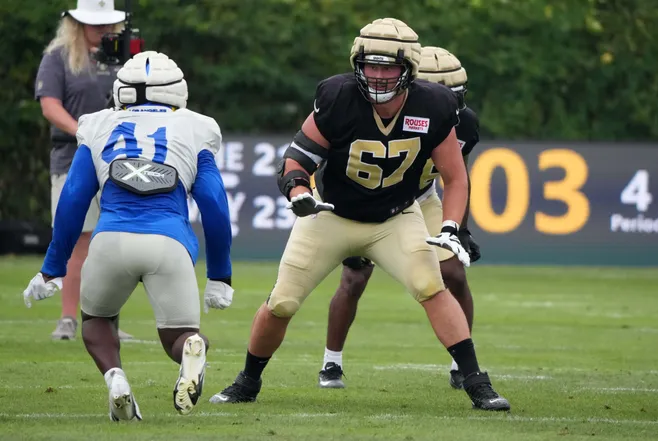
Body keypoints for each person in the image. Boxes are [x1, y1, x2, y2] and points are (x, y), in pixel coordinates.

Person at [209, 18, 510, 411]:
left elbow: (455, 178)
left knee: (431, 286)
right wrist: (299, 191)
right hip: (331, 216)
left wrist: (452, 226)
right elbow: (296, 159)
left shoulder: (434, 105)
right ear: (357, 63)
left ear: (409, 69)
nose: (379, 76)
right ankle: (247, 382)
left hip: (395, 217)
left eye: (389, 67)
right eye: (372, 65)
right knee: (282, 302)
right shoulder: (338, 97)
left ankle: (475, 382)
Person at [22, 51, 234, 420]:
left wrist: (51, 268)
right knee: (178, 337)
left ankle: (116, 377)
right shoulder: (196, 127)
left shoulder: (98, 124)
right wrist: (220, 276)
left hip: (111, 241)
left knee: (97, 322)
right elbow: (215, 206)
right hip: (169, 244)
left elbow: (73, 200)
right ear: (177, 90)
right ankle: (191, 348)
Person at [317, 46, 482, 391]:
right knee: (354, 278)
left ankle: (461, 364)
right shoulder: (378, 109)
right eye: (443, 96)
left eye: (455, 97)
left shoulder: (463, 123)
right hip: (372, 197)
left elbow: (456, 177)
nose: (449, 106)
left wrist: (459, 228)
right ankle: (331, 362)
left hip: (421, 196)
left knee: (453, 271)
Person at [35, 0, 132, 340]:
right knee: (79, 241)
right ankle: (67, 318)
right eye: (96, 25)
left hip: (117, 161)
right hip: (72, 157)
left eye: (108, 25)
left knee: (114, 243)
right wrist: (84, 133)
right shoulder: (58, 57)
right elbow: (50, 105)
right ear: (78, 25)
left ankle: (107, 321)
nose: (104, 31)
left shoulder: (123, 55)